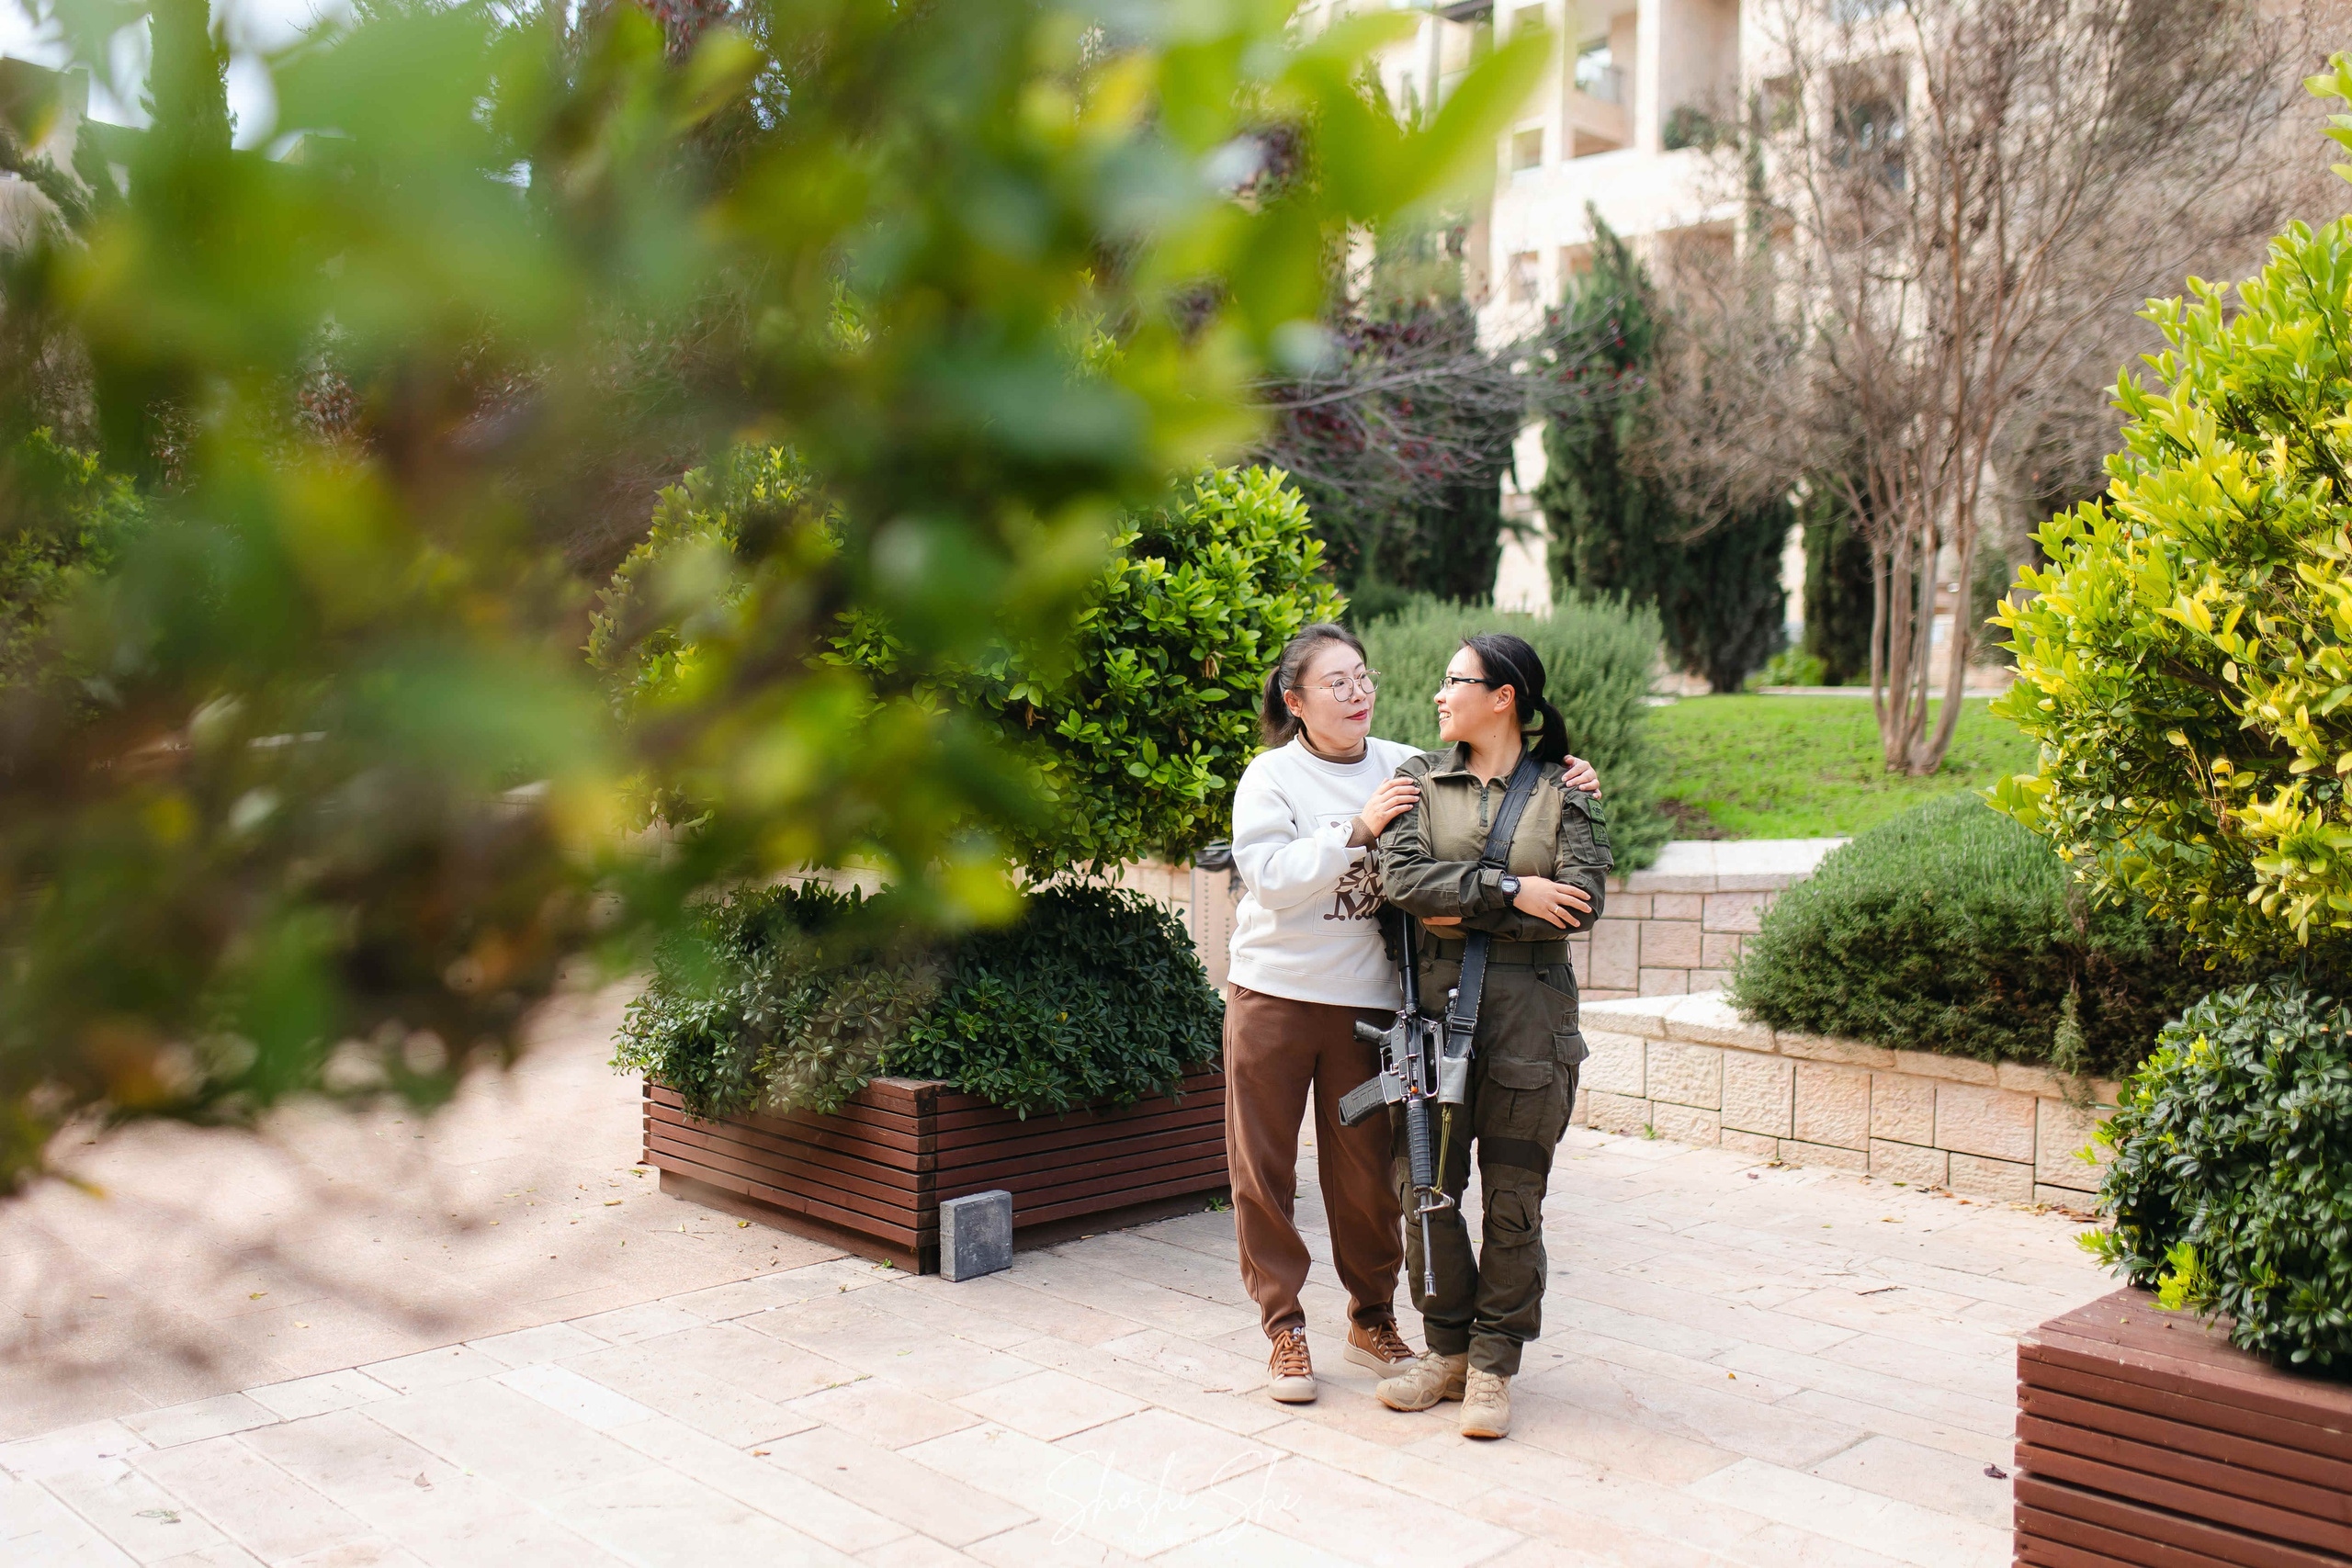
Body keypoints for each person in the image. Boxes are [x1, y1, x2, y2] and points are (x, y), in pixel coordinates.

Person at [1224, 623, 1599, 1404]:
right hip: (1276, 992)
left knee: (1370, 1178)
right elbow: (1275, 876)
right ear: (1295, 703)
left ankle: (1372, 1316)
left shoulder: (1409, 764)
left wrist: (1568, 775)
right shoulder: (1271, 776)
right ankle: (1284, 1325)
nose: (1358, 692)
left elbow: (1509, 802)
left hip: (1368, 1001)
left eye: (1362, 676)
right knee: (1264, 1168)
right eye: (1336, 683)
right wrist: (1357, 830)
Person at [1367, 632, 1611, 1439]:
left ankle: (1493, 1362)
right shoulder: (1416, 782)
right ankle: (1443, 1350)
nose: (1439, 694)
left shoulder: (1566, 788)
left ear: (1502, 695)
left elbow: (1579, 900)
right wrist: (1514, 888)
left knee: (1514, 1201)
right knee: (1427, 1188)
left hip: (1530, 1021)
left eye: (1453, 680)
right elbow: (1403, 882)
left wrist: (1461, 903)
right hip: (1432, 1018)